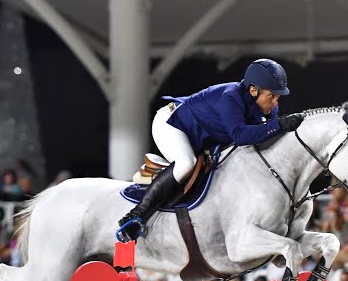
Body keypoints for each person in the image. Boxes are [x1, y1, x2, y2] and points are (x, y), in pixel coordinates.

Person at [116, 58, 304, 242]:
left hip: (203, 138)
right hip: (172, 125)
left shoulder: (268, 109)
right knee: (185, 163)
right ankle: (135, 216)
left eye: (278, 97)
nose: (275, 103)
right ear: (253, 90)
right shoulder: (230, 96)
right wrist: (279, 125)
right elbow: (240, 135)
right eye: (271, 96)